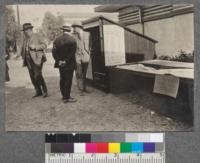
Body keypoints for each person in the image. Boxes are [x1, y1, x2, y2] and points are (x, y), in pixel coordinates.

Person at [21, 23, 48, 98]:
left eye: (26, 30)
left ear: (30, 29)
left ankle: (45, 91)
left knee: (38, 75)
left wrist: (35, 47)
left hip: (37, 59)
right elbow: (23, 48)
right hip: (28, 61)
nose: (25, 32)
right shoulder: (25, 38)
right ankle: (38, 91)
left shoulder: (37, 35)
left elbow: (44, 45)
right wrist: (22, 55)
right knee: (32, 77)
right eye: (24, 31)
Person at [52, 24, 77, 103]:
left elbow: (54, 52)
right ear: (69, 31)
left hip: (60, 64)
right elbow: (72, 53)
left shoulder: (56, 40)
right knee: (68, 80)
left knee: (62, 79)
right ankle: (67, 97)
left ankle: (63, 96)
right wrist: (65, 61)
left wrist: (59, 60)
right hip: (69, 64)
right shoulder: (73, 40)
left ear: (63, 31)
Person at [72, 22, 90, 96]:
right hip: (77, 57)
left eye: (74, 27)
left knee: (85, 73)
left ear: (79, 27)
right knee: (79, 73)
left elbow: (90, 44)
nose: (73, 29)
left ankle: (84, 88)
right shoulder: (73, 36)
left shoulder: (88, 34)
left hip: (86, 56)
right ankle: (80, 90)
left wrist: (89, 52)